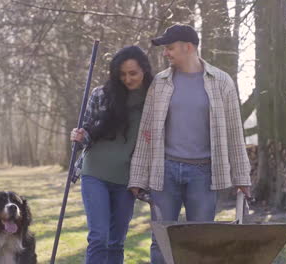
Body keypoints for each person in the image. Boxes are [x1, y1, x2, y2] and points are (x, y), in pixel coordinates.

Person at [128, 24, 252, 264]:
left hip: (204, 175)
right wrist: (137, 178)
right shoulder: (160, 83)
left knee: (202, 243)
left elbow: (235, 133)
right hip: (164, 173)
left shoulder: (221, 82)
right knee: (161, 241)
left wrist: (242, 178)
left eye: (170, 48)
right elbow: (147, 132)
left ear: (188, 47)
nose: (166, 53)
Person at [70, 45, 153, 264]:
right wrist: (79, 136)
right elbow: (87, 130)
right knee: (99, 238)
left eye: (133, 73)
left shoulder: (155, 100)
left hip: (127, 180)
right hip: (95, 172)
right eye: (122, 74)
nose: (127, 79)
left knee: (116, 242)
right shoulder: (102, 94)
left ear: (144, 69)